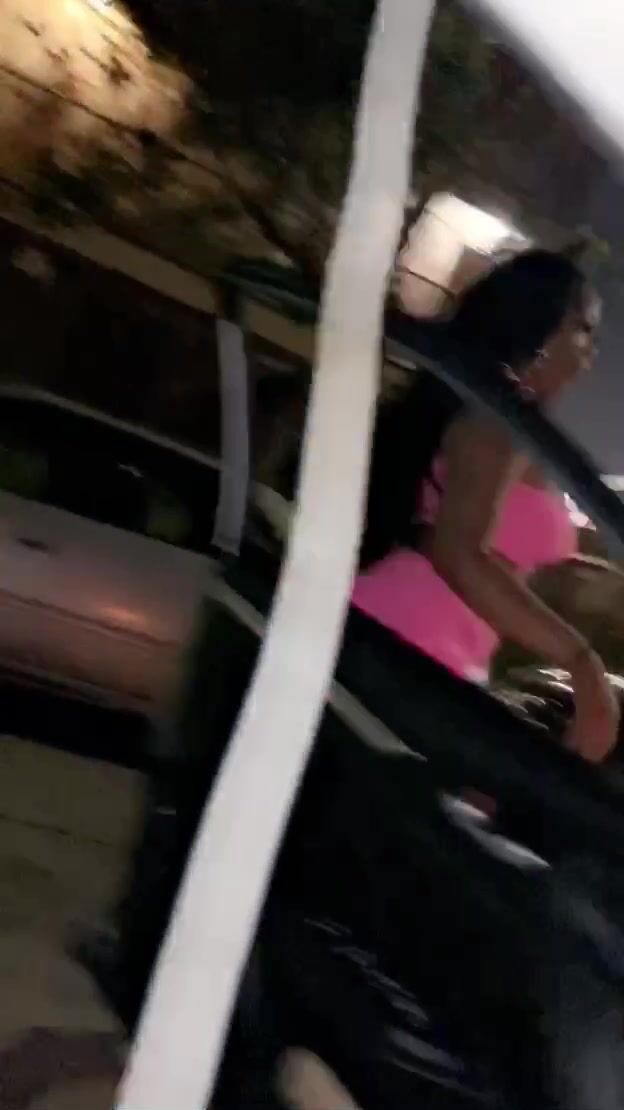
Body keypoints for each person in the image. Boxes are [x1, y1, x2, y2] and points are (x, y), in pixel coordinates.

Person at [353, 249, 619, 764]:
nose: (591, 352)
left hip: (419, 648)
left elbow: (472, 545)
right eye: (584, 329)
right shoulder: (497, 421)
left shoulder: (496, 413)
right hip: (407, 643)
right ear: (542, 329)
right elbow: (458, 553)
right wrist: (582, 664)